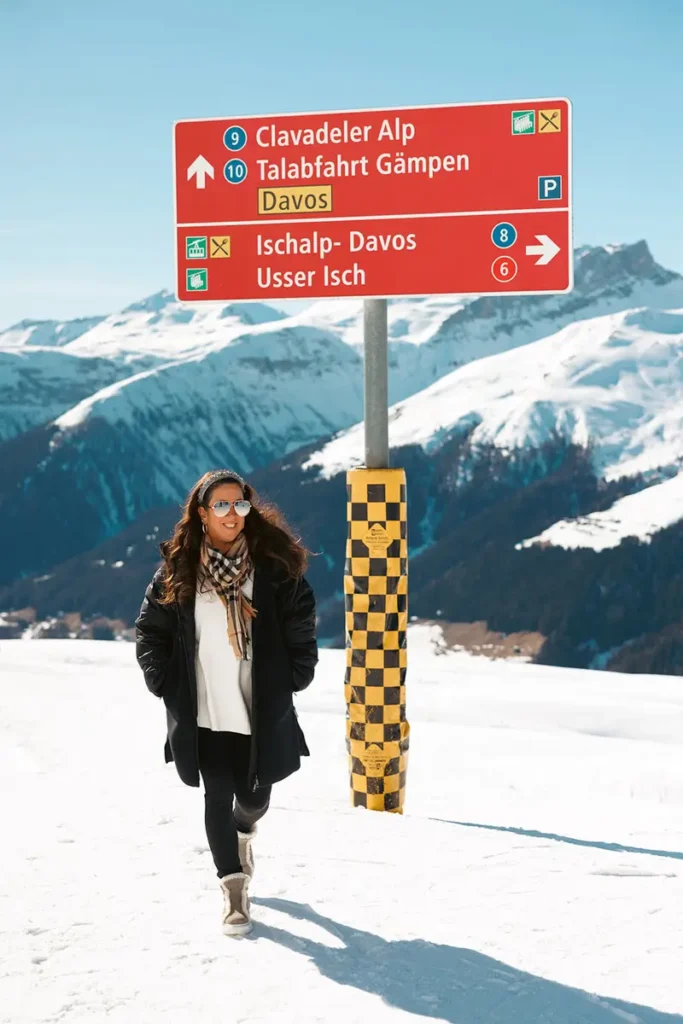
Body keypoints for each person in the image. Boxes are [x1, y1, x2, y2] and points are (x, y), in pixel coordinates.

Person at [135, 469, 318, 936]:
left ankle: (244, 832)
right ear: (201, 513)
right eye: (221, 505)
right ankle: (233, 890)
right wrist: (162, 680)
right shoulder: (178, 571)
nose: (233, 513)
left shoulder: (274, 568)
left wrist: (295, 674)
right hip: (203, 708)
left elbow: (301, 624)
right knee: (216, 792)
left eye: (240, 504)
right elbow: (150, 632)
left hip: (258, 707)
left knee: (254, 798)